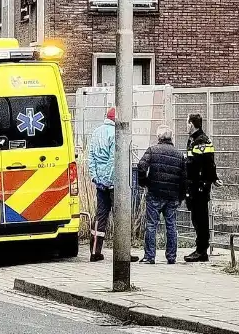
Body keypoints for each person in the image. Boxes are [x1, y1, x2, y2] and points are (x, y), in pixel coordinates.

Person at [86, 107, 139, 263]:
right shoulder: (115, 134)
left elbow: (91, 157)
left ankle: (95, 252)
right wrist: (109, 181)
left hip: (99, 182)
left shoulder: (96, 133)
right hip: (113, 183)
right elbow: (112, 160)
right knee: (120, 216)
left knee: (100, 216)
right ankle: (123, 253)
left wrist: (96, 177)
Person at [136, 125, 187, 264]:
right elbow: (184, 178)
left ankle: (149, 257)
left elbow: (141, 166)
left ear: (158, 137)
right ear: (171, 137)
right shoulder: (179, 154)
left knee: (151, 225)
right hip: (172, 196)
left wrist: (144, 182)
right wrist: (181, 196)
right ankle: (171, 257)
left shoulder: (152, 150)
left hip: (155, 193)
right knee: (171, 225)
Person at [184, 113, 218, 262]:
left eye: (187, 123)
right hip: (194, 185)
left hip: (200, 186)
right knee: (196, 217)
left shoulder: (201, 141)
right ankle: (200, 249)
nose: (186, 126)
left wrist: (211, 179)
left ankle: (201, 250)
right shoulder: (194, 140)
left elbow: (207, 163)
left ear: (191, 124)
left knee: (201, 218)